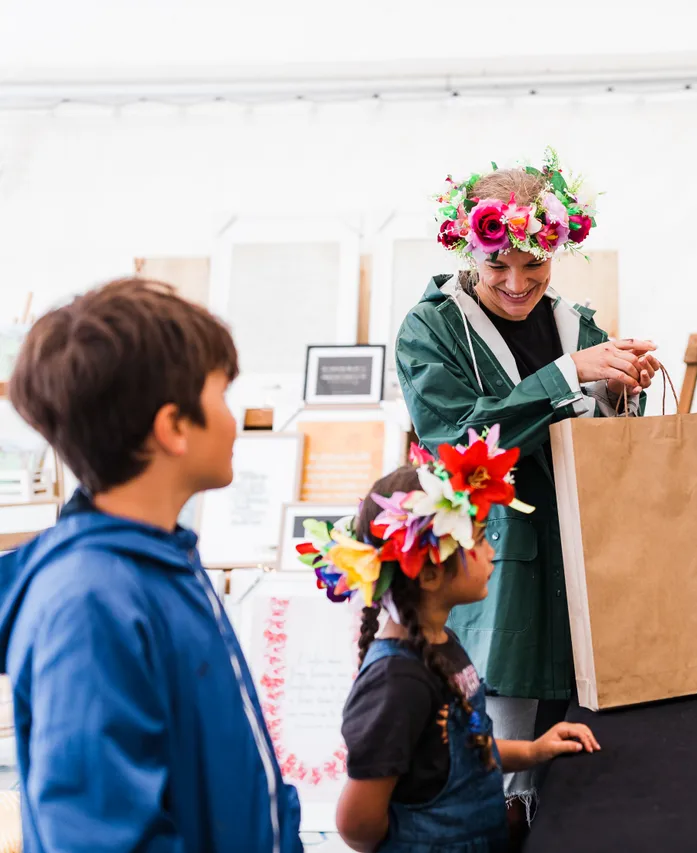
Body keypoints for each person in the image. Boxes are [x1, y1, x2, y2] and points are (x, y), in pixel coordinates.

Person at [395, 150, 656, 818]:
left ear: (556, 250)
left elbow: (608, 454)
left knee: (576, 776)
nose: (516, 282)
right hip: (492, 576)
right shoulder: (431, 330)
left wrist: (621, 392)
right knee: (497, 773)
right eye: (498, 266)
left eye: (533, 266)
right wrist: (569, 375)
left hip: (584, 569)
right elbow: (461, 447)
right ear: (468, 249)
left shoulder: (577, 323)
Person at [0, 278, 303, 852]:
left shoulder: (162, 563)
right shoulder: (90, 600)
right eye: (221, 396)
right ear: (173, 427)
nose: (234, 421)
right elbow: (99, 835)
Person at [302, 436, 599, 853]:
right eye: (477, 539)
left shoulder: (444, 643)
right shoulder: (396, 682)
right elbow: (356, 823)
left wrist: (532, 751)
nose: (491, 550)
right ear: (427, 575)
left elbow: (458, 750)